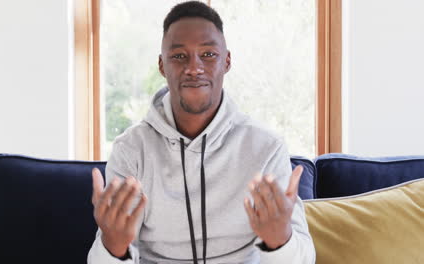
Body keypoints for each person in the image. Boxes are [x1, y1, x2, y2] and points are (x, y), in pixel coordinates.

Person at [88, 1, 315, 263]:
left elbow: (303, 260)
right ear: (162, 66)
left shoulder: (265, 147)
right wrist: (113, 246)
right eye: (179, 56)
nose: (194, 68)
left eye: (208, 55)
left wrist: (280, 240)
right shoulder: (131, 150)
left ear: (227, 61)